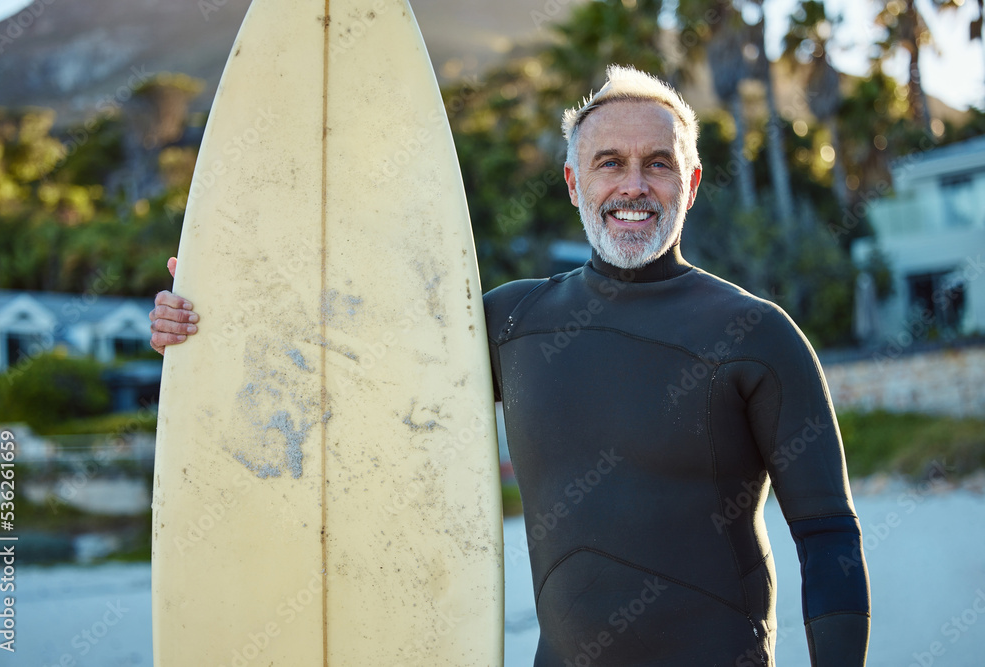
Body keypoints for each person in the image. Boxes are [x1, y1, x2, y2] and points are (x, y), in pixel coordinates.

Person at [150, 65, 870, 666]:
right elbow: (352, 373)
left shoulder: (756, 334)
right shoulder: (511, 322)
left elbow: (828, 533)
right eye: (608, 162)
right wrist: (215, 319)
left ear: (691, 180)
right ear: (572, 181)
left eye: (658, 162)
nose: (633, 185)